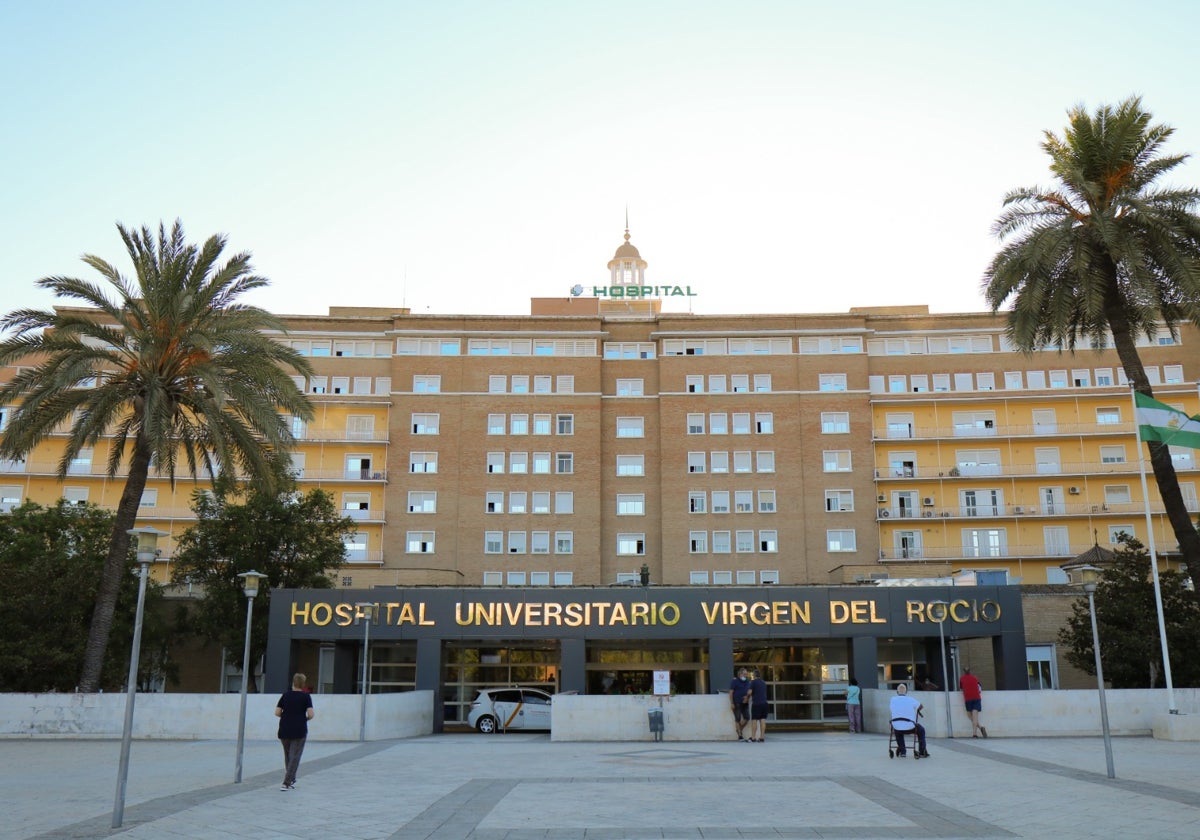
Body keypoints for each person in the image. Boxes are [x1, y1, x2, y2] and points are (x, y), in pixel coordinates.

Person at [276, 672, 315, 791]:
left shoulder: (285, 695)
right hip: (299, 730)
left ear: (293, 682)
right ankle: (286, 782)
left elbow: (277, 712)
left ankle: (291, 779)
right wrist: (304, 719)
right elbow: (311, 714)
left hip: (284, 729)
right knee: (295, 757)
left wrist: (287, 716)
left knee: (288, 756)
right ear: (303, 684)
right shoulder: (306, 697)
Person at [889, 683, 928, 757]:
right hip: (910, 726)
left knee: (898, 731)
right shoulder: (910, 699)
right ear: (906, 692)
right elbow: (921, 706)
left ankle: (903, 751)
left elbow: (892, 709)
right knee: (921, 730)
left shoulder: (893, 699)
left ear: (897, 692)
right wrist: (916, 710)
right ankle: (922, 751)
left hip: (897, 726)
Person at [960, 666, 987, 738]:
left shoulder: (962, 679)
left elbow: (961, 688)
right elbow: (979, 687)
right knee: (975, 717)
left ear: (964, 672)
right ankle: (980, 728)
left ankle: (975, 733)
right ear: (970, 671)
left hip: (968, 699)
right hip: (977, 698)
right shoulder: (975, 678)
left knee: (970, 716)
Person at [729, 667, 751, 741]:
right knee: (737, 719)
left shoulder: (748, 681)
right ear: (740, 674)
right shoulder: (734, 681)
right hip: (737, 702)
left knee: (747, 718)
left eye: (746, 674)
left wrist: (747, 697)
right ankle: (740, 736)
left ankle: (739, 730)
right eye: (744, 674)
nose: (745, 675)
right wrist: (732, 703)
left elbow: (750, 691)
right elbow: (731, 692)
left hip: (745, 703)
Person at [748, 668, 769, 742]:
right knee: (763, 720)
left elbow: (749, 692)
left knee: (754, 720)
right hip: (764, 703)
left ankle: (753, 737)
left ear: (754, 675)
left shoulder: (753, 682)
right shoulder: (763, 682)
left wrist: (746, 696)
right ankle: (762, 737)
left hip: (757, 704)